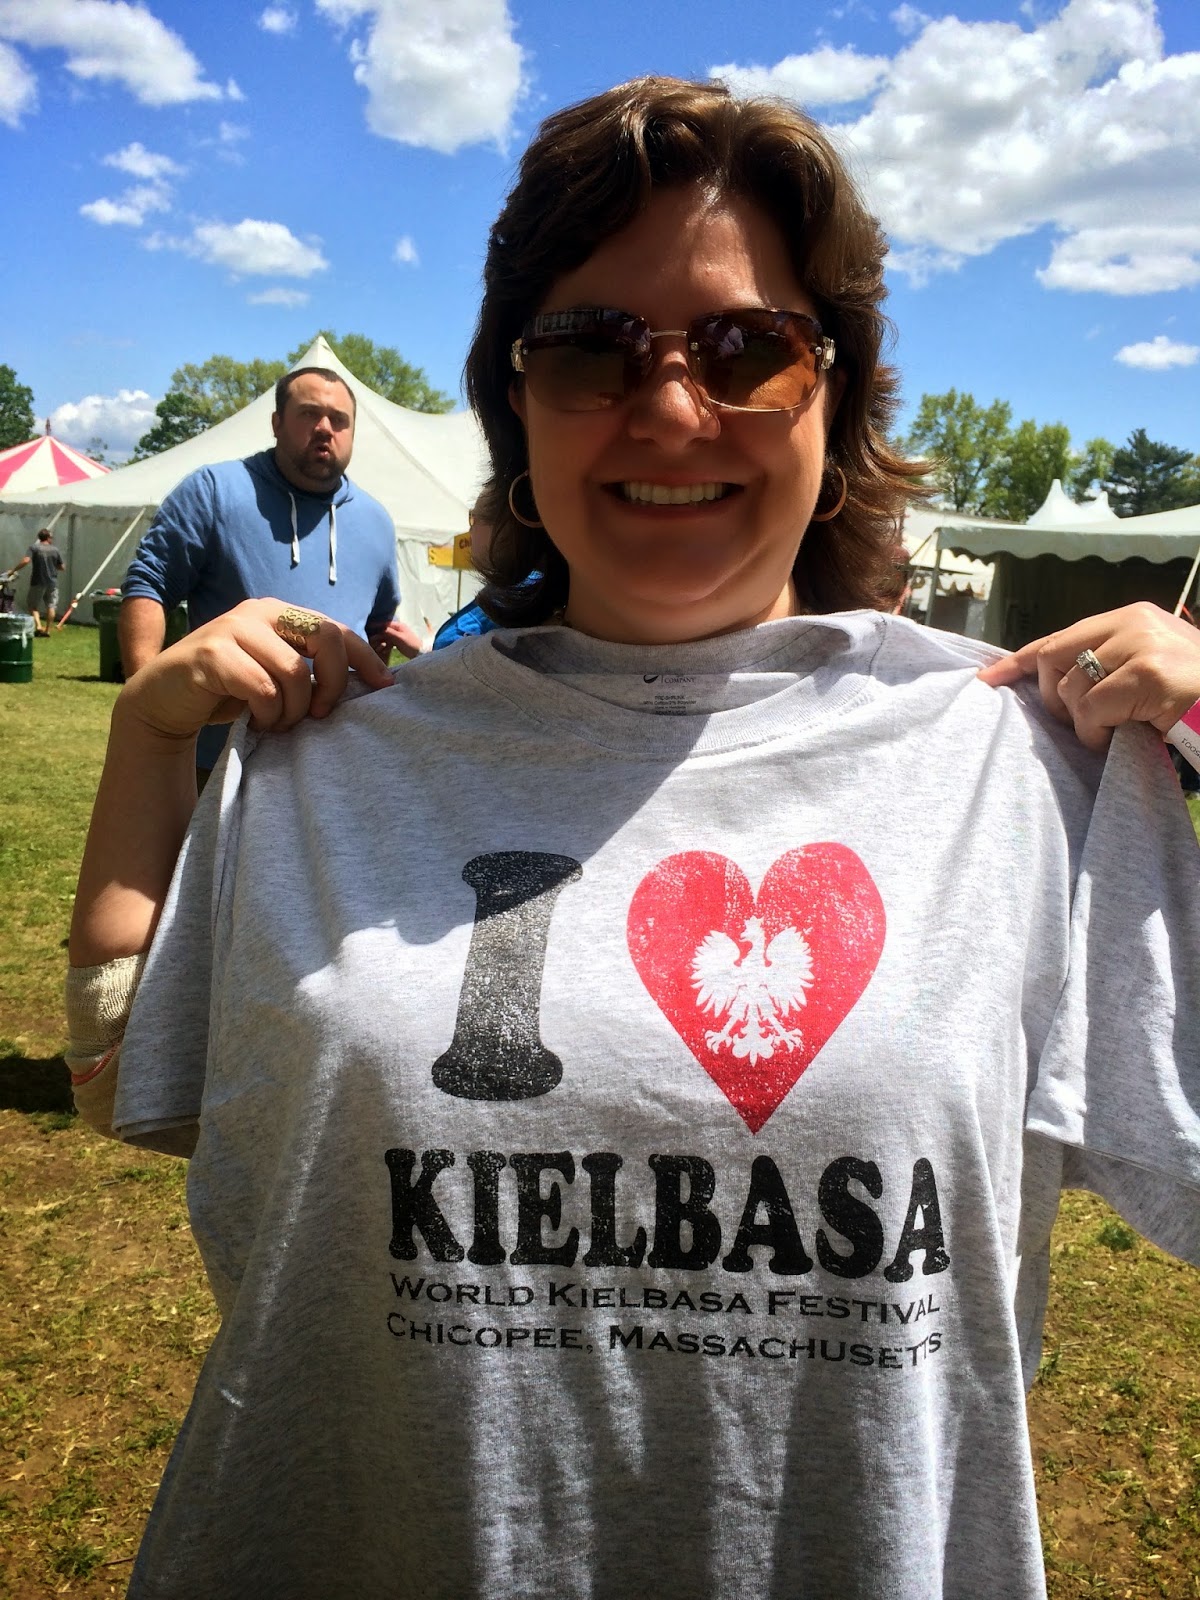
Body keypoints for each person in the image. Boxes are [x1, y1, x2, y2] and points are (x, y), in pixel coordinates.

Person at [66, 78, 1200, 1600]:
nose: (671, 406)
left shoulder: (1024, 768)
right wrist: (151, 737)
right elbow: (107, 1064)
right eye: (593, 349)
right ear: (515, 400)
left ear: (836, 391)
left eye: (745, 346)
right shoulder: (331, 764)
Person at [119, 365, 420, 775]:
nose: (325, 428)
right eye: (309, 413)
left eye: (339, 420)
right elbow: (149, 585)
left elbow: (377, 626)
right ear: (277, 423)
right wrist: (146, 700)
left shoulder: (376, 520)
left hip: (335, 765)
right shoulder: (215, 491)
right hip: (219, 759)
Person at [12, 527, 65, 635]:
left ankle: (39, 626)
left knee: (32, 605)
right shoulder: (55, 550)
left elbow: (26, 560)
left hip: (38, 580)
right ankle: (48, 630)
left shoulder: (34, 548)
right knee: (51, 606)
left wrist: (13, 570)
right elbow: (62, 567)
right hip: (52, 582)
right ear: (48, 538)